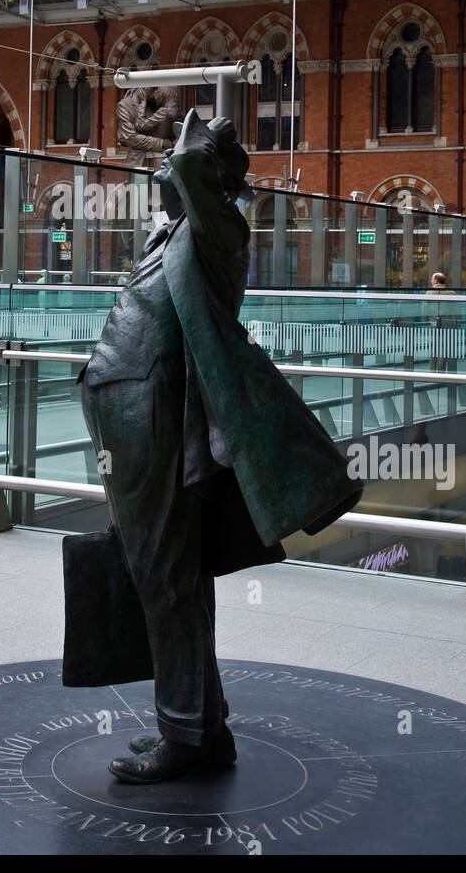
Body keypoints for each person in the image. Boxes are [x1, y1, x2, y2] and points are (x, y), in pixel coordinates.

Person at [68, 109, 359, 784]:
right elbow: (176, 173)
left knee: (165, 578)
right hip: (134, 417)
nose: (162, 170)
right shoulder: (175, 234)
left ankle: (187, 734)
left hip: (159, 416)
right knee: (170, 574)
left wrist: (201, 136)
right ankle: (199, 725)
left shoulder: (219, 229)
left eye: (175, 159)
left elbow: (189, 167)